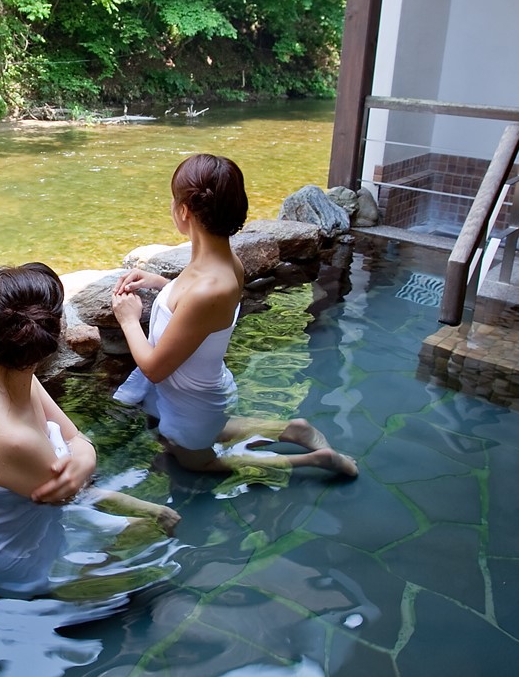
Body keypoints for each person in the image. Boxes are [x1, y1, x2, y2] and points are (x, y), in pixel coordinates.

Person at [111, 153, 359, 478]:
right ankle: (294, 430)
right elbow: (195, 307)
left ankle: (315, 462)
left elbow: (155, 369)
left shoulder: (208, 287)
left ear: (183, 210)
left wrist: (129, 320)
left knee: (199, 464)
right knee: (204, 431)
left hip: (194, 400)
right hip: (200, 390)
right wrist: (161, 285)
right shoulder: (223, 262)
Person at [0, 263, 179, 599]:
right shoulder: (14, 438)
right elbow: (71, 494)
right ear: (51, 331)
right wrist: (140, 513)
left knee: (151, 519)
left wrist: (86, 458)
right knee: (155, 539)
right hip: (5, 558)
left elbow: (75, 443)